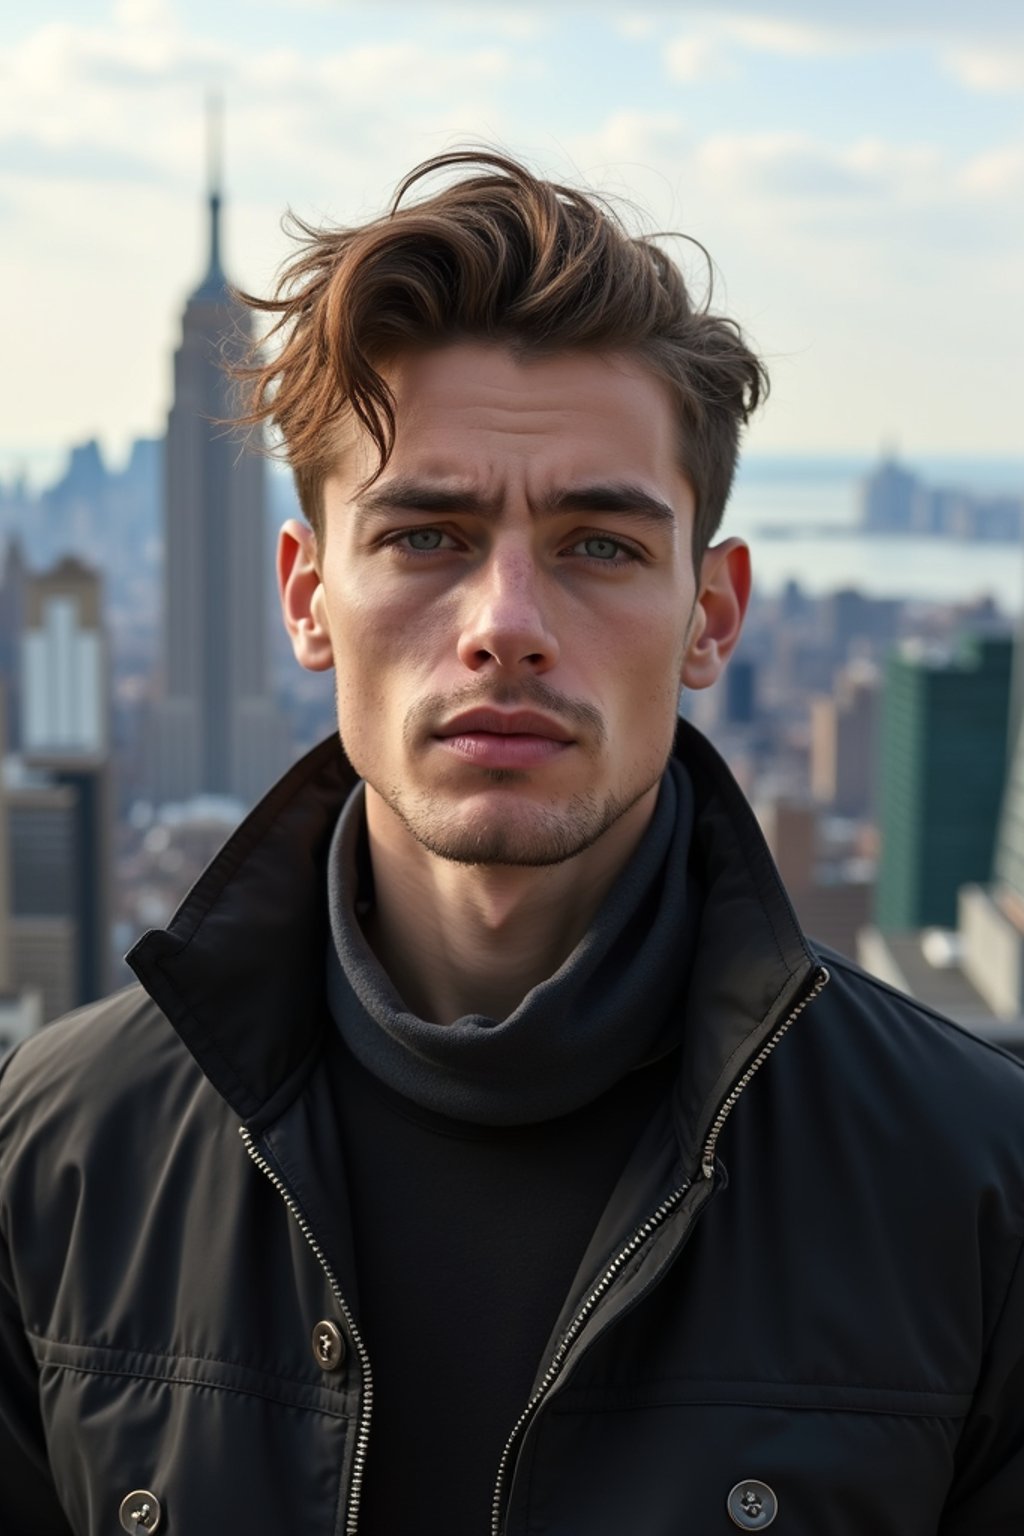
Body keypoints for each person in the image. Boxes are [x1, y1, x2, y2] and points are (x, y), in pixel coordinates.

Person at [2, 150, 1024, 1536]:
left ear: (713, 615)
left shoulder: (976, 1184)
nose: (506, 619)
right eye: (426, 534)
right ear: (309, 598)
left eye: (601, 546)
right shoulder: (55, 1158)